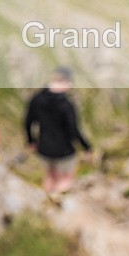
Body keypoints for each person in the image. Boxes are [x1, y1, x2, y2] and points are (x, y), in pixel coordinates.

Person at [24, 67, 91, 195]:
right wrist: (86, 147)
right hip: (64, 150)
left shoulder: (37, 98)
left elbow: (28, 121)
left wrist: (31, 141)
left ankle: (46, 202)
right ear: (66, 82)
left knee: (49, 175)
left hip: (43, 146)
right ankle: (56, 201)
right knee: (66, 177)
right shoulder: (66, 104)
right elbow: (73, 129)